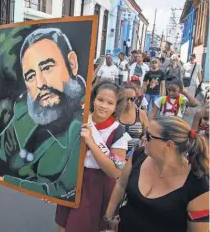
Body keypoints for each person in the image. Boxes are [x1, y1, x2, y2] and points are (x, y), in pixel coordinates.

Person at [0, 28, 86, 199]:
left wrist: (0, 178)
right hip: (14, 204)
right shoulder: (25, 111)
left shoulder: (84, 123)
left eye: (47, 67)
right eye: (30, 76)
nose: (40, 83)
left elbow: (63, 191)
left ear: (72, 63)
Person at [104, 116, 209, 232]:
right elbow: (121, 185)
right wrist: (108, 218)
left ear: (169, 145)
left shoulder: (198, 185)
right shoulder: (138, 156)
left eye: (149, 136)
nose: (143, 138)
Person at [55, 81, 131, 232]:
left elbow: (115, 172)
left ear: (116, 106)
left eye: (110, 103)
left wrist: (90, 141)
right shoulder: (80, 120)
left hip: (97, 185)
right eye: (100, 100)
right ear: (93, 99)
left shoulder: (118, 132)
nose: (103, 105)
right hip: (72, 180)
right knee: (62, 225)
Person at [119, 84, 149, 158]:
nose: (129, 102)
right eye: (125, 99)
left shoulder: (141, 114)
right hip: (116, 156)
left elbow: (147, 136)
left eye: (132, 99)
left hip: (134, 157)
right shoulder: (115, 113)